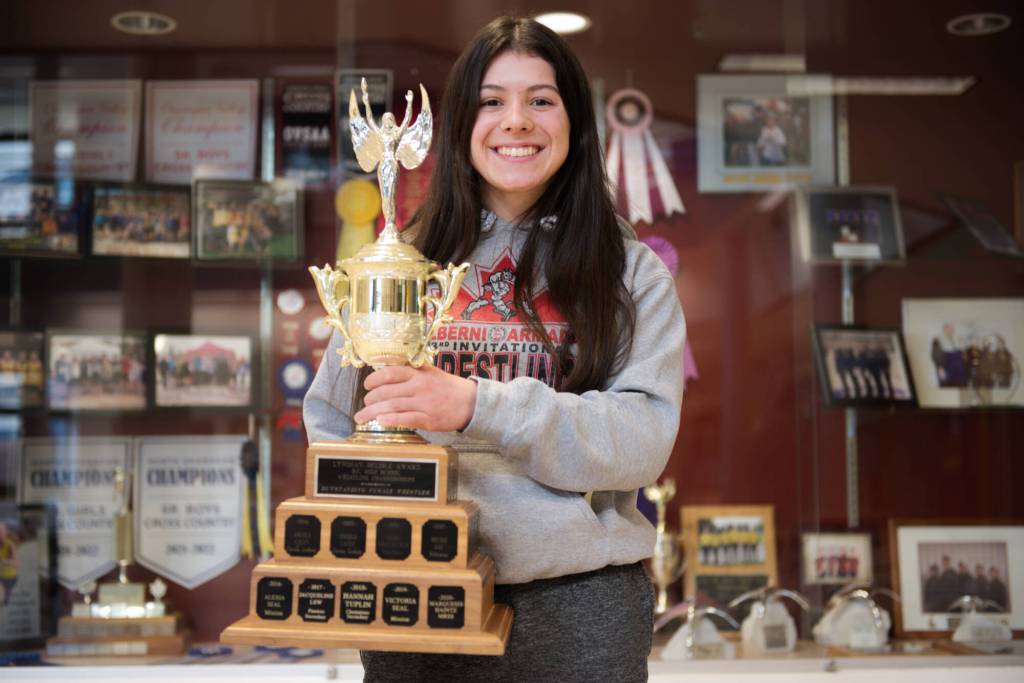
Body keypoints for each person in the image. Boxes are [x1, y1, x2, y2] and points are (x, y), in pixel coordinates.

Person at [303, 15, 685, 683]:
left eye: (541, 99)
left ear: (574, 121)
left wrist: (477, 404)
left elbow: (643, 439)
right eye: (491, 101)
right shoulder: (398, 264)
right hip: (418, 596)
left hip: (578, 608)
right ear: (459, 125)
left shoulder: (631, 271)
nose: (517, 121)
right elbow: (331, 426)